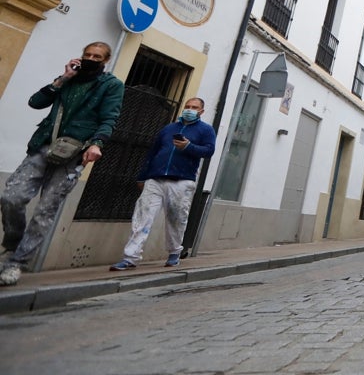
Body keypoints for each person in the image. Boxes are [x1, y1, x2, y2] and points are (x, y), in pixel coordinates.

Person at [1, 42, 124, 286]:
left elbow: (109, 117)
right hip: (44, 145)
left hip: (74, 153)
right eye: (87, 54)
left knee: (45, 210)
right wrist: (63, 78)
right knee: (11, 197)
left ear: (105, 61)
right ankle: (12, 243)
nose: (91, 59)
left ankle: (16, 263)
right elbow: (35, 102)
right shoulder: (68, 79)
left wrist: (97, 143)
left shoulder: (111, 85)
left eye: (97, 57)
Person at [111, 97, 216, 271]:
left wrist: (188, 146)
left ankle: (174, 252)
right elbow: (153, 152)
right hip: (155, 179)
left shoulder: (206, 130)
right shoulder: (169, 128)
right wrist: (143, 177)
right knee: (142, 217)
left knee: (176, 219)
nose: (189, 109)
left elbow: (209, 150)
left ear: (201, 111)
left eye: (194, 107)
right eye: (187, 106)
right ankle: (130, 257)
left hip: (182, 180)